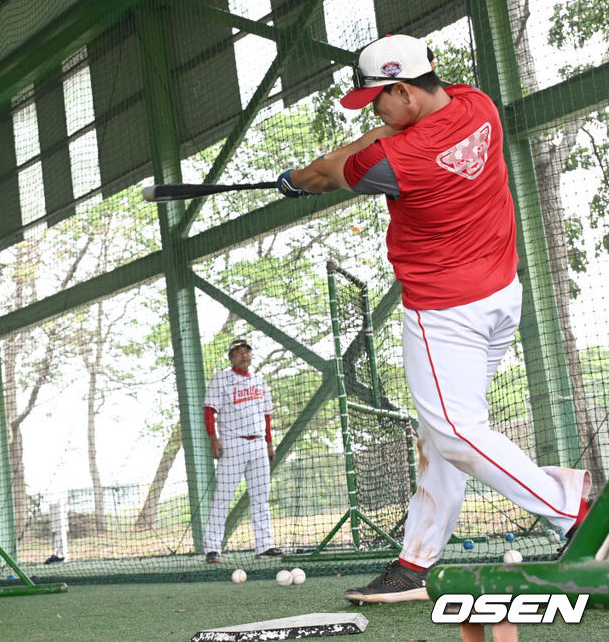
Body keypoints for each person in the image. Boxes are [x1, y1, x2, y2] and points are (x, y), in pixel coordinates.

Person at [276, 34, 591, 603]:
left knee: (453, 433)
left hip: (444, 314)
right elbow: (381, 137)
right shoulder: (477, 104)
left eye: (377, 100)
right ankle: (415, 562)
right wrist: (343, 151)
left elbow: (329, 174)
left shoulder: (395, 160)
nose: (375, 113)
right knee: (439, 431)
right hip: (500, 299)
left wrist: (293, 180)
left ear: (402, 91)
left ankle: (573, 511)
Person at [202, 337, 282, 563]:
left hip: (258, 444)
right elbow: (209, 411)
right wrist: (213, 439)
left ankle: (264, 546)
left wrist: (269, 442)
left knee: (260, 497)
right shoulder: (221, 379)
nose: (244, 355)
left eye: (247, 351)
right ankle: (212, 547)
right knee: (223, 497)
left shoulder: (259, 380)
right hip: (232, 443)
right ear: (231, 357)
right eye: (238, 352)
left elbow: (266, 415)